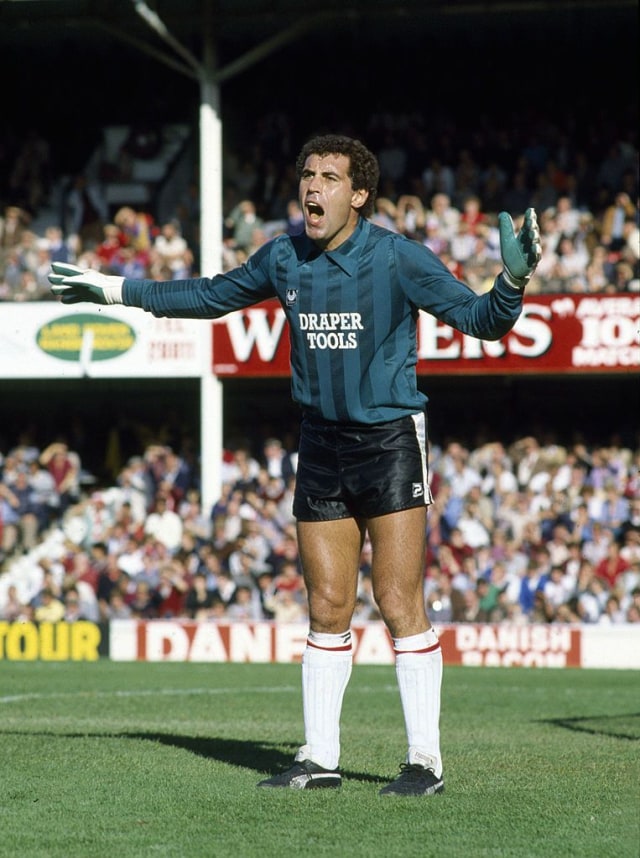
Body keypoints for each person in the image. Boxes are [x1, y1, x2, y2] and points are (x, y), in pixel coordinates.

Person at [49, 133, 541, 796]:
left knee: (397, 600)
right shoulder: (284, 259)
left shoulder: (398, 257)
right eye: (308, 175)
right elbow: (207, 295)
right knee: (327, 603)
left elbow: (482, 321)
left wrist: (512, 281)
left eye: (330, 177)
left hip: (390, 439)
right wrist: (113, 290)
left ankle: (424, 761)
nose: (313, 187)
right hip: (320, 442)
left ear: (359, 194)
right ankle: (319, 758)